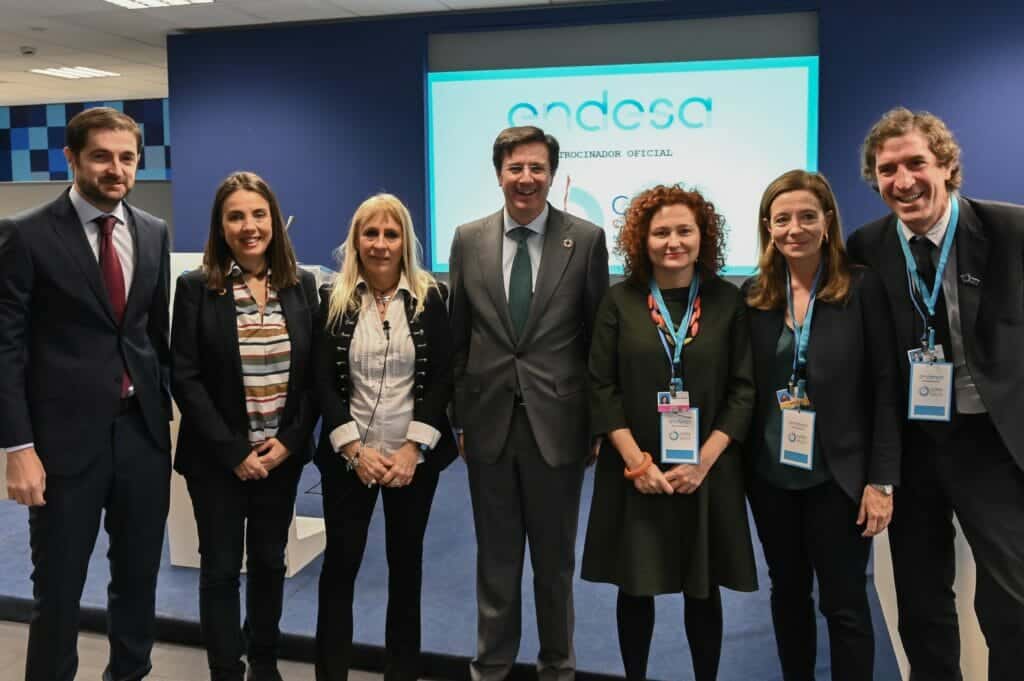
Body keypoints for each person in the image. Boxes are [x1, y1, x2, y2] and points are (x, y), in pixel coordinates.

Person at [846, 107, 1024, 681]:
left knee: (1012, 598)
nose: (903, 181)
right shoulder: (867, 245)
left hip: (991, 441)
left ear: (946, 165)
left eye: (916, 163)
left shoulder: (1010, 231)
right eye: (887, 168)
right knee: (921, 602)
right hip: (913, 444)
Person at [0, 107, 171, 681]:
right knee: (59, 589)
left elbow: (154, 337)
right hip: (62, 447)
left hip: (142, 438)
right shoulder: (24, 235)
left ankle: (129, 675)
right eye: (101, 156)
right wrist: (17, 448)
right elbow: (7, 349)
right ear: (71, 158)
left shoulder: (152, 232)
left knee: (138, 581)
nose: (115, 169)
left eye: (126, 157)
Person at [449, 125, 609, 681]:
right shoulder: (468, 238)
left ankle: (557, 667)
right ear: (499, 174)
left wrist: (593, 425)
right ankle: (490, 667)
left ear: (552, 174)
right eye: (515, 168)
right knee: (495, 560)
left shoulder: (585, 240)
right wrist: (459, 419)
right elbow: (458, 335)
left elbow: (596, 341)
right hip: (488, 423)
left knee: (553, 562)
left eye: (537, 168)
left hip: (557, 425)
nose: (526, 179)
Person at [581, 184, 756, 681]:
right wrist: (636, 461)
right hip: (635, 468)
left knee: (704, 588)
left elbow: (744, 390)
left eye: (684, 230)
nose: (672, 241)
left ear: (704, 237)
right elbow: (601, 386)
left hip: (706, 470)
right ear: (642, 240)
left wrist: (704, 460)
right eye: (660, 232)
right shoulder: (620, 301)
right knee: (635, 587)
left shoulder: (727, 300)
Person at [744, 170, 901, 681]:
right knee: (787, 593)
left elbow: (885, 388)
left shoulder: (860, 288)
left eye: (807, 216)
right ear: (768, 227)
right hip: (771, 476)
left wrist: (880, 481)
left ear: (827, 220)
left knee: (844, 601)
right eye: (782, 218)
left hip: (840, 477)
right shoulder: (754, 295)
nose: (795, 229)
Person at [171, 171, 319, 681]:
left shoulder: (301, 286)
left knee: (270, 564)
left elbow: (313, 377)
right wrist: (235, 451)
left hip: (280, 456)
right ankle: (225, 669)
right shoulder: (196, 288)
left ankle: (263, 662)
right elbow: (185, 377)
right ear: (221, 225)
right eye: (236, 216)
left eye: (258, 214)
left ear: (274, 221)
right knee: (218, 570)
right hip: (218, 461)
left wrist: (289, 443)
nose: (249, 226)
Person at [314, 193, 457, 681]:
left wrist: (413, 448)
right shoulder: (330, 298)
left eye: (390, 234)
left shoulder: (431, 297)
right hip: (349, 458)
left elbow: (443, 378)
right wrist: (353, 449)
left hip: (410, 462)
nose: (379, 244)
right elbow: (320, 382)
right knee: (340, 570)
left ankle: (402, 672)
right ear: (356, 239)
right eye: (370, 233)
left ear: (405, 242)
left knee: (406, 570)